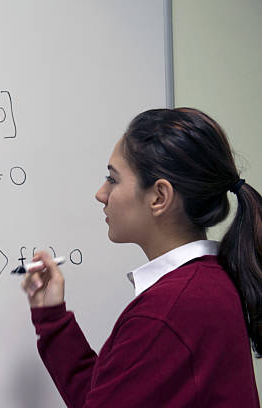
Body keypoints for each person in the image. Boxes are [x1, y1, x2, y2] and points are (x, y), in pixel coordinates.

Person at [22, 108, 262, 407]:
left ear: (159, 197)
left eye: (112, 179)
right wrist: (52, 316)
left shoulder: (170, 311)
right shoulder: (207, 285)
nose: (101, 193)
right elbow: (108, 396)